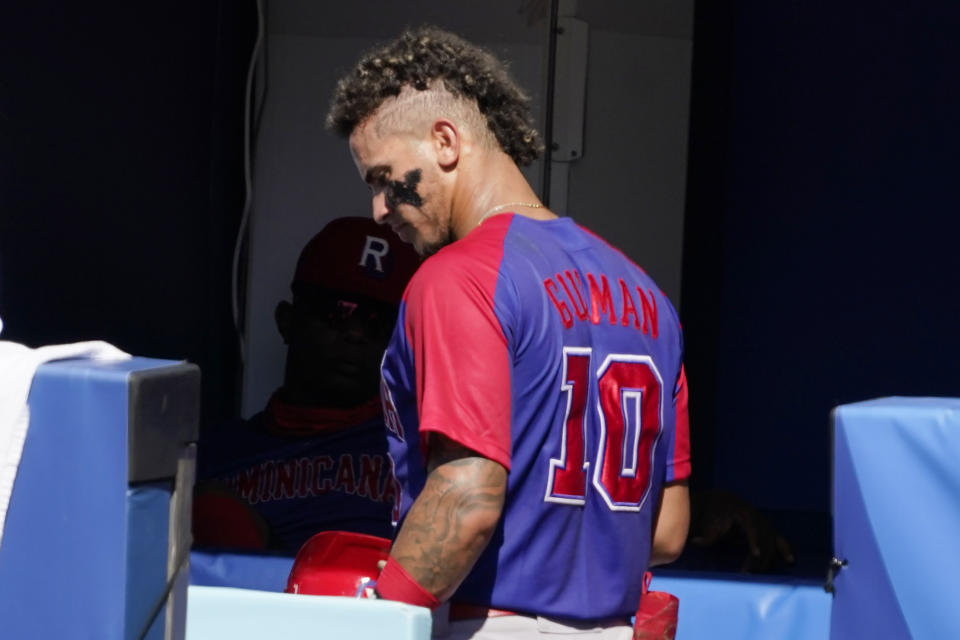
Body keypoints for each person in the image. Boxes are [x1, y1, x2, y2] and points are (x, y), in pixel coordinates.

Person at [327, 27, 691, 638]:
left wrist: (377, 621)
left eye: (384, 178)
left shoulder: (457, 277)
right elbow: (667, 529)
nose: (380, 209)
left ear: (444, 141)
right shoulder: (648, 295)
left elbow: (465, 500)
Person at [192, 217, 420, 555]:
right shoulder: (212, 455)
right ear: (287, 321)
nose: (355, 335)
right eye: (338, 312)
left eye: (378, 323)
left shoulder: (417, 455)